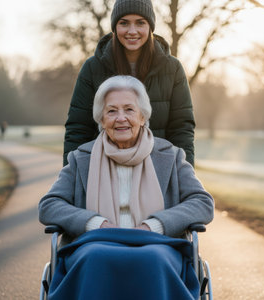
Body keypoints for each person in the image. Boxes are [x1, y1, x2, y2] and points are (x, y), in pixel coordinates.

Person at [39, 76, 213, 299]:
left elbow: (202, 202)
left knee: (153, 259)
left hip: (157, 244)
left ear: (142, 116)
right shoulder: (82, 158)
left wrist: (154, 225)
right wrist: (96, 223)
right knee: (95, 257)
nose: (120, 118)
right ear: (101, 119)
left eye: (129, 109)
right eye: (111, 111)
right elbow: (49, 205)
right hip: (95, 243)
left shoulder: (170, 155)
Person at [63, 0, 195, 167]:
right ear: (114, 27)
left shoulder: (173, 68)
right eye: (124, 23)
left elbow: (182, 128)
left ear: (150, 26)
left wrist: (184, 176)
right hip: (105, 170)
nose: (132, 31)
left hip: (157, 169)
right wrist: (72, 177)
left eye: (140, 23)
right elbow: (78, 128)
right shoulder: (92, 68)